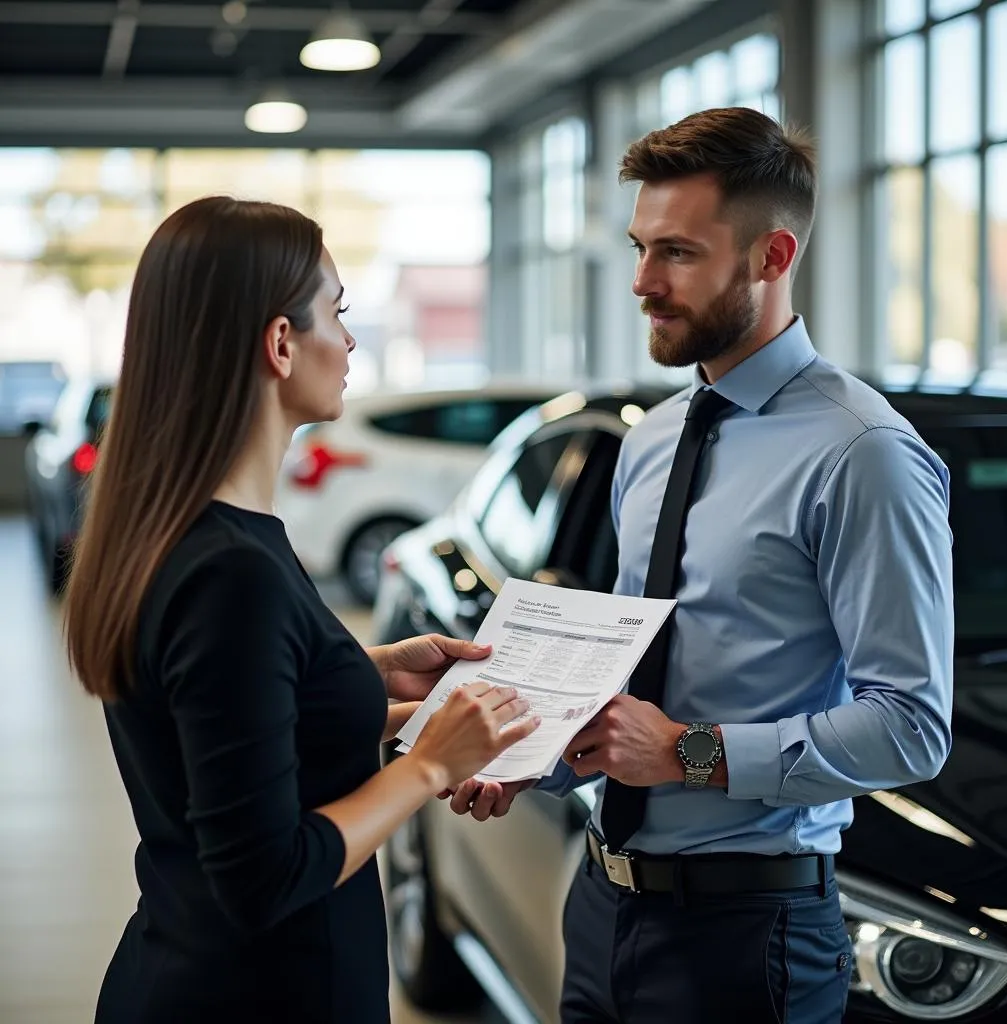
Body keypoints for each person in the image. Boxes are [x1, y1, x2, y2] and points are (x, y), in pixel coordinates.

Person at [445, 107, 954, 1024]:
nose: (642, 282)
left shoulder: (862, 452)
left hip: (748, 936)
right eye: (640, 248)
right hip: (600, 902)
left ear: (772, 256)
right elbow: (638, 669)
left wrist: (689, 755)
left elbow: (911, 726)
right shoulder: (652, 442)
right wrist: (542, 754)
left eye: (676, 252)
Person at [63, 195, 540, 1024]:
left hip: (192, 972)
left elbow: (226, 738)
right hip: (258, 994)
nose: (350, 340)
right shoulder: (231, 574)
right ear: (281, 343)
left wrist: (360, 682)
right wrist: (428, 766)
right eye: (337, 312)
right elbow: (265, 876)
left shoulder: (198, 535)